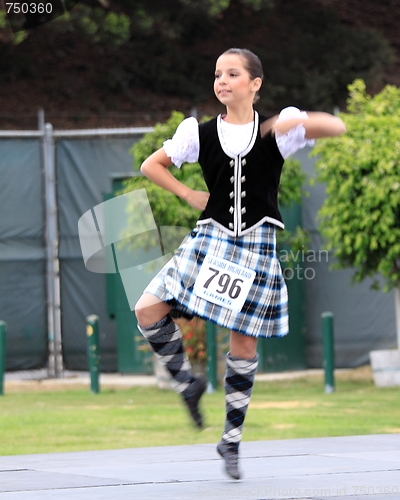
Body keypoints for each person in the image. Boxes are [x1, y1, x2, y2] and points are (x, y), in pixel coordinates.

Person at [135, 47, 346, 480]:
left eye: (233, 73)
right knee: (147, 308)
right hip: (210, 239)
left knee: (243, 345)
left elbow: (337, 126)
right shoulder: (198, 132)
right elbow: (150, 165)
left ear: (255, 84)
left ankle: (230, 442)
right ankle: (186, 381)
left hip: (256, 245)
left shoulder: (277, 129)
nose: (222, 81)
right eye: (217, 74)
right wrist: (189, 194)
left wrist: (295, 120)